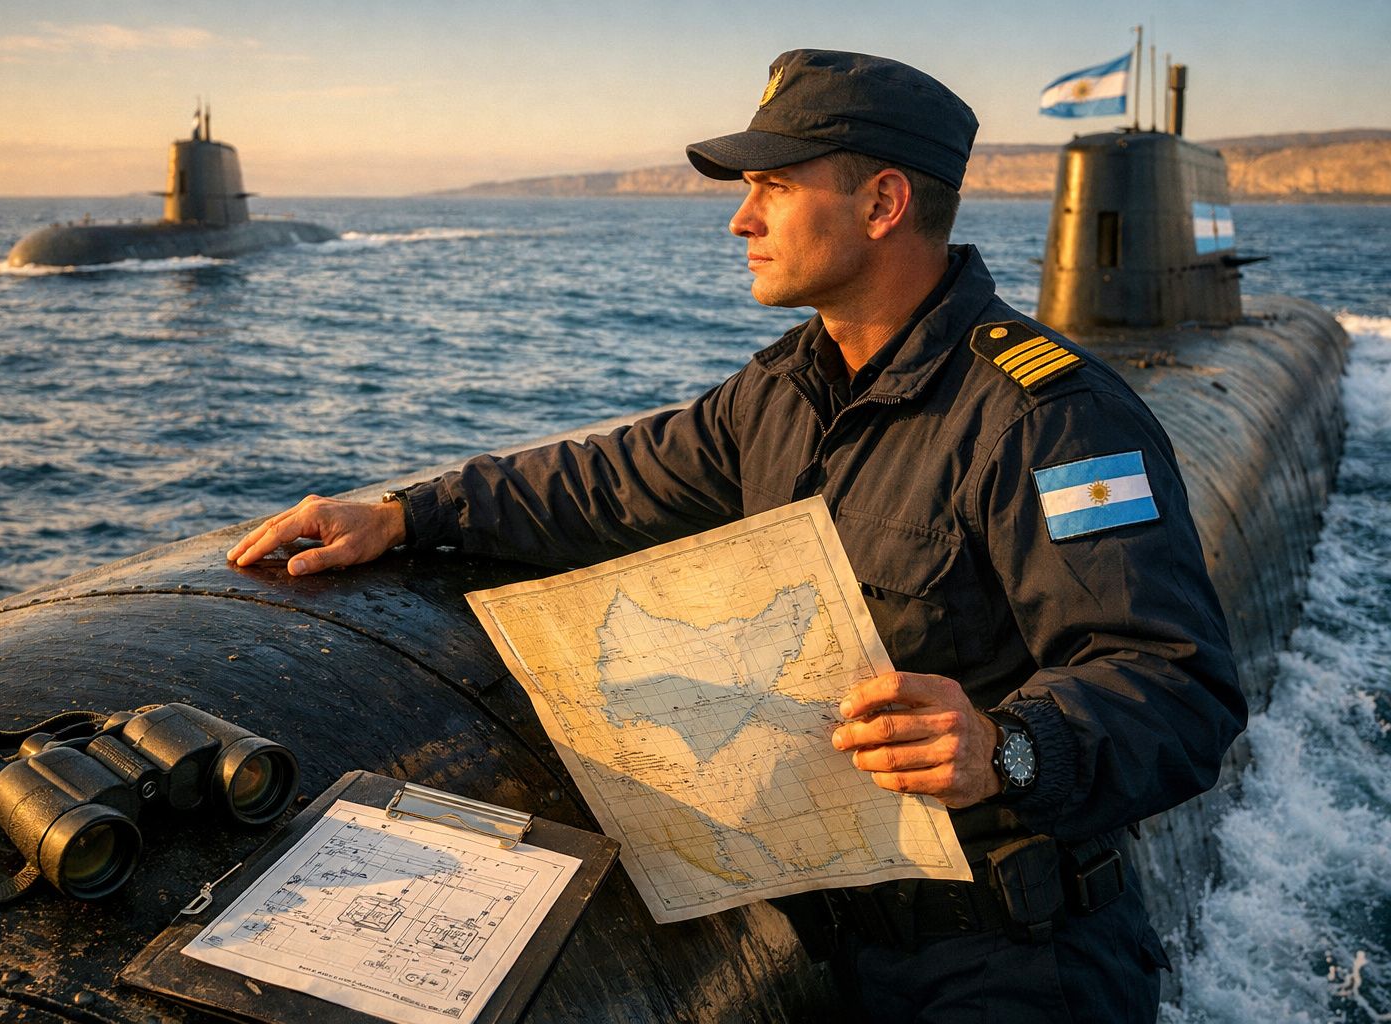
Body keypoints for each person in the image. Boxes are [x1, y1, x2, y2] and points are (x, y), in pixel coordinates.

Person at [228, 49, 1245, 1022]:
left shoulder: (1050, 419)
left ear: (884, 203)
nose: (738, 218)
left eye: (770, 187)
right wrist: (407, 512)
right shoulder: (786, 389)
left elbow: (1175, 681)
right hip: (840, 939)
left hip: (1018, 959)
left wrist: (1009, 745)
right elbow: (606, 479)